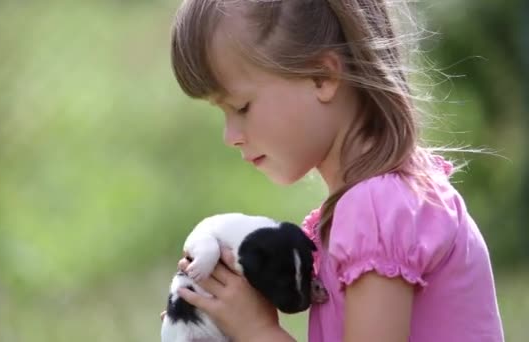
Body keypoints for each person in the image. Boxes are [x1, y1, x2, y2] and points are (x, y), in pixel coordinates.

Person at [161, 0, 505, 341]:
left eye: (241, 107)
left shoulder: (376, 210)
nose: (230, 136)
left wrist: (257, 331)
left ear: (322, 76)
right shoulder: (391, 198)